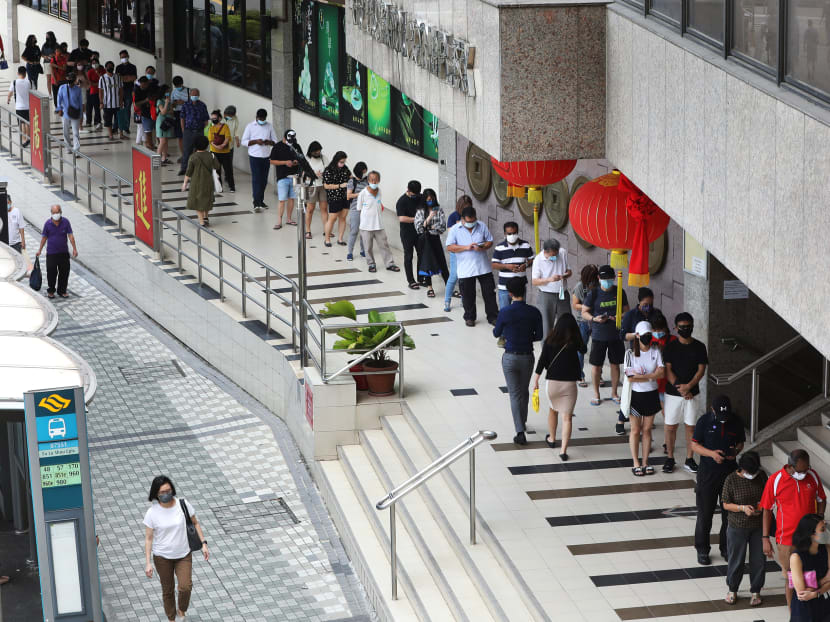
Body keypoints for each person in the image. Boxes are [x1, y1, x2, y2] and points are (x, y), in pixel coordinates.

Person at [761, 448, 827, 608]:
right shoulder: (775, 480)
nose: (804, 473)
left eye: (807, 469)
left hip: (811, 539)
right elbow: (767, 509)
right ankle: (794, 612)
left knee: (811, 574)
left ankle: (810, 606)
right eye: (801, 470)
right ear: (790, 466)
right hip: (787, 540)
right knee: (791, 579)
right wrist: (765, 538)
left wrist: (819, 517)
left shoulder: (812, 476)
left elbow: (822, 498)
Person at [143, 476, 209, 622]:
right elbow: (148, 539)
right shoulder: (152, 513)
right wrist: (148, 563)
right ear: (156, 494)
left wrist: (204, 543)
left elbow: (195, 523)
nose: (166, 494)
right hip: (162, 557)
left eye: (169, 490)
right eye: (162, 492)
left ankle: (182, 609)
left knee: (185, 587)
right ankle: (171, 618)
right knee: (168, 590)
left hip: (183, 554)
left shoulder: (182, 504)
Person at [690, 394, 745, 566]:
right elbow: (694, 445)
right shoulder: (704, 422)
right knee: (705, 514)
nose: (723, 419)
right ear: (712, 410)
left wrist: (735, 451)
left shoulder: (736, 421)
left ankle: (726, 548)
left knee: (728, 515)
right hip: (708, 474)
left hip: (729, 474)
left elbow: (741, 442)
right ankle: (702, 549)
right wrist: (712, 454)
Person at [494, 278, 543, 446]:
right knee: (524, 391)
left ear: (510, 293)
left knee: (514, 394)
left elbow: (496, 332)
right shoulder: (534, 312)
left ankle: (520, 431)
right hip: (527, 356)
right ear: (524, 292)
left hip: (510, 357)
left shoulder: (505, 312)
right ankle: (522, 421)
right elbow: (539, 335)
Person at [532, 312, 584, 459]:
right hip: (570, 385)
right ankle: (563, 451)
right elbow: (584, 349)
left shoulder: (550, 341)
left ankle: (552, 439)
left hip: (552, 384)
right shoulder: (574, 342)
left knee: (553, 410)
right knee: (567, 418)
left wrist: (536, 379)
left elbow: (542, 361)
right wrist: (577, 334)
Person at [663, 312, 709, 474]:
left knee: (691, 427)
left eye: (688, 326)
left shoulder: (699, 346)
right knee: (670, 427)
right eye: (682, 327)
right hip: (673, 394)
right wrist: (681, 388)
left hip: (692, 394)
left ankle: (690, 459)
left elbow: (701, 370)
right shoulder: (670, 347)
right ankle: (670, 457)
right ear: (676, 328)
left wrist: (688, 386)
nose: (686, 329)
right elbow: (667, 371)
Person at [721, 451, 767, 607]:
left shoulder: (761, 476)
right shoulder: (731, 479)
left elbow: (766, 497)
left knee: (759, 560)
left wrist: (760, 507)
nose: (752, 474)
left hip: (758, 526)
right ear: (742, 468)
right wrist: (741, 508)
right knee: (736, 559)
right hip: (737, 526)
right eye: (749, 471)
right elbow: (726, 504)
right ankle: (732, 589)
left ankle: (756, 591)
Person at [581, 265, 629, 413]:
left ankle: (614, 393)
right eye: (604, 279)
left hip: (615, 334)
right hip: (598, 335)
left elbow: (626, 310)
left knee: (615, 365)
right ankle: (596, 394)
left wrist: (618, 317)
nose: (607, 282)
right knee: (596, 366)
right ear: (599, 278)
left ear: (614, 279)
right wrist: (594, 319)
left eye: (609, 279)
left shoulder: (619, 291)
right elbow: (584, 312)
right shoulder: (594, 293)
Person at [445, 207, 497, 327]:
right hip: (465, 268)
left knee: (489, 293)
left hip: (483, 266)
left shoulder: (481, 225)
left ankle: (493, 316)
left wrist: (482, 247)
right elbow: (449, 247)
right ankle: (469, 317)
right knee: (468, 295)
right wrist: (465, 247)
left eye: (473, 220)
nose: (471, 223)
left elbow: (490, 241)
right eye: (469, 221)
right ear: (462, 219)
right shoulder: (455, 229)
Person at [625, 321, 665, 476]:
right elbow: (630, 377)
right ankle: (636, 461)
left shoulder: (656, 351)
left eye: (649, 335)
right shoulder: (629, 354)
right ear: (637, 336)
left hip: (651, 394)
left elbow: (661, 373)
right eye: (644, 336)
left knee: (647, 429)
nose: (647, 338)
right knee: (635, 430)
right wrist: (651, 376)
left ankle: (645, 461)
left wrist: (643, 377)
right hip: (635, 396)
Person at [492, 222, 534, 345]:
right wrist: (507, 266)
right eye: (509, 233)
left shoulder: (525, 245)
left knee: (520, 311)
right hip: (505, 287)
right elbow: (494, 264)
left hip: (520, 287)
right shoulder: (499, 247)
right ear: (505, 234)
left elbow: (532, 259)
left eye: (514, 233)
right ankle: (503, 336)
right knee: (505, 312)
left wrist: (525, 265)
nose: (512, 235)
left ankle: (519, 333)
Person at [356, 171, 400, 273]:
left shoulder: (379, 191)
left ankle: (390, 264)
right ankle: (371, 264)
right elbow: (359, 209)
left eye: (375, 179)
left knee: (384, 245)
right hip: (366, 226)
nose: (373, 181)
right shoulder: (363, 193)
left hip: (379, 225)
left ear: (379, 180)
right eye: (371, 179)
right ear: (368, 180)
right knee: (368, 247)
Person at [789, 514, 830, 621]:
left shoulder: (827, 548)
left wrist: (815, 593)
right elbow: (802, 592)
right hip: (804, 608)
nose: (826, 532)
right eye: (822, 529)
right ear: (811, 534)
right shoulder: (796, 557)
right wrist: (825, 580)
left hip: (824, 601)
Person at [531, 238, 572, 338]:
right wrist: (549, 279)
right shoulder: (538, 260)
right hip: (546, 294)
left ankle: (565, 346)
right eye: (553, 255)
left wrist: (565, 275)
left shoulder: (562, 252)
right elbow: (534, 281)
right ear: (545, 252)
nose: (555, 257)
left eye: (556, 254)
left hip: (562, 291)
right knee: (546, 324)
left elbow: (569, 271)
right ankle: (546, 348)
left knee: (566, 321)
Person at [35, 205, 78, 299]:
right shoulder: (48, 224)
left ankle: (62, 290)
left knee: (64, 272)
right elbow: (44, 238)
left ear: (61, 212)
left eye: (57, 212)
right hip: (51, 253)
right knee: (51, 273)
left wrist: (74, 248)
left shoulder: (65, 222)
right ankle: (51, 291)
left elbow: (70, 236)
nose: (56, 214)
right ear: (51, 213)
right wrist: (39, 250)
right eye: (54, 213)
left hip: (63, 253)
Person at [413, 188, 449, 298]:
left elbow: (442, 227)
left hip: (435, 238)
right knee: (427, 262)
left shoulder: (439, 210)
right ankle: (429, 287)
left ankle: (449, 286)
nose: (430, 201)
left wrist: (427, 226)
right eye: (428, 199)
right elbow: (419, 228)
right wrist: (429, 219)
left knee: (442, 263)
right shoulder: (420, 211)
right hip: (424, 240)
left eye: (432, 199)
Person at [242, 109, 278, 211]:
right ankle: (256, 202)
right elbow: (244, 141)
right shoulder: (250, 126)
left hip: (266, 156)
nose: (262, 120)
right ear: (257, 117)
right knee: (256, 179)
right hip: (254, 156)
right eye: (261, 118)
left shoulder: (269, 126)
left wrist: (268, 142)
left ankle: (261, 201)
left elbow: (275, 141)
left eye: (264, 119)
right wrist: (255, 141)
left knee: (264, 180)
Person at [182, 136, 220, 227]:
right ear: (206, 145)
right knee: (206, 199)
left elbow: (189, 172)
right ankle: (206, 217)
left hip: (196, 183)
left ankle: (201, 222)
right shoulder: (211, 155)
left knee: (198, 202)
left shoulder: (193, 157)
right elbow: (217, 166)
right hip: (208, 182)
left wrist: (184, 184)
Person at [572, 264, 599, 388]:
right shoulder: (579, 287)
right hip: (582, 321)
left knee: (597, 348)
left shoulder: (598, 286)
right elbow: (575, 304)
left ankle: (599, 374)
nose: (593, 281)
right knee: (580, 349)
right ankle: (579, 374)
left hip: (596, 320)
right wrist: (586, 307)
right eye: (591, 279)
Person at [269, 129, 302, 225]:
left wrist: (296, 161)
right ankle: (279, 221)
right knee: (282, 200)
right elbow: (271, 161)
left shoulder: (296, 146)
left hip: (294, 177)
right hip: (282, 176)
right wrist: (285, 162)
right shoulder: (277, 146)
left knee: (292, 198)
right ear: (284, 137)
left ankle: (289, 219)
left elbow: (301, 158)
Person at [443, 195, 470, 311]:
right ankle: (447, 301)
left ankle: (464, 300)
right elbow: (451, 234)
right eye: (464, 207)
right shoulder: (453, 216)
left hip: (467, 250)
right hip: (456, 250)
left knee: (464, 277)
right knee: (454, 276)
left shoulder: (471, 216)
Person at [322, 150, 351, 246]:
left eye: (344, 162)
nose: (343, 164)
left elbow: (350, 176)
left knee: (343, 218)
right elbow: (326, 186)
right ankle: (327, 239)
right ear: (336, 160)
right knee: (332, 218)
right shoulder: (328, 170)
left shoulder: (345, 169)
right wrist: (340, 185)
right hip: (334, 197)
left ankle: (340, 239)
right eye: (341, 162)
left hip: (345, 197)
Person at [397, 181, 422, 289]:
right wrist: (417, 219)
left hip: (419, 231)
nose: (415, 196)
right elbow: (402, 218)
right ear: (408, 190)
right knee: (409, 256)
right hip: (407, 233)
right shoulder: (402, 201)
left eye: (417, 194)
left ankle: (421, 278)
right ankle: (411, 280)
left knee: (421, 255)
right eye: (413, 194)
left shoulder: (420, 197)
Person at [178, 88, 209, 176]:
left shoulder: (202, 105)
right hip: (188, 131)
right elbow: (182, 118)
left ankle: (197, 168)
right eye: (193, 95)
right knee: (187, 150)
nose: (194, 96)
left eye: (196, 95)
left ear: (198, 96)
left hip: (199, 131)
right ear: (190, 95)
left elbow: (206, 119)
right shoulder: (186, 105)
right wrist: (183, 129)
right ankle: (184, 169)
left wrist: (205, 130)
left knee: (199, 151)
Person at [304, 141, 328, 238]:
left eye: (319, 151)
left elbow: (328, 170)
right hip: (311, 185)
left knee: (324, 208)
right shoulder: (307, 159)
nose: (318, 153)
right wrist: (313, 174)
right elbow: (303, 173)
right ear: (311, 151)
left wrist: (323, 174)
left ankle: (326, 230)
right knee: (310, 209)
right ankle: (308, 231)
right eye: (316, 152)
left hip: (322, 185)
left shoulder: (324, 158)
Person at [345, 162, 368, 260]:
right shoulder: (352, 182)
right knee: (354, 231)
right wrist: (360, 194)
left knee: (364, 232)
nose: (365, 173)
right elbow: (348, 196)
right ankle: (350, 252)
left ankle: (363, 250)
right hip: (355, 209)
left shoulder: (367, 181)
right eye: (364, 171)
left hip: (366, 209)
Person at [56, 72, 83, 153]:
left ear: (74, 80)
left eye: (72, 79)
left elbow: (80, 102)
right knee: (65, 131)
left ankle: (76, 149)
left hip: (75, 113)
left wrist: (81, 114)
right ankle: (68, 147)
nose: (70, 81)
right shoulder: (62, 88)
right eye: (69, 79)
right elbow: (59, 99)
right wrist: (59, 109)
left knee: (76, 132)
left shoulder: (78, 89)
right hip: (65, 113)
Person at [208, 110, 233, 191]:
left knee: (228, 170)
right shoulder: (211, 128)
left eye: (215, 118)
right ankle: (219, 188)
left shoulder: (225, 126)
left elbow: (227, 137)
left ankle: (232, 187)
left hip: (225, 152)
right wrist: (217, 147)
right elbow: (210, 140)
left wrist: (222, 145)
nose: (213, 120)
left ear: (219, 118)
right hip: (214, 152)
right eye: (212, 118)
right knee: (217, 171)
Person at [98, 61, 122, 140]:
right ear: (105, 68)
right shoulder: (102, 78)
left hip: (117, 103)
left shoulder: (118, 77)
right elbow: (100, 91)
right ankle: (110, 135)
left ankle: (121, 134)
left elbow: (121, 90)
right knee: (108, 120)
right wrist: (101, 102)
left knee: (119, 119)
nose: (110, 67)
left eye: (111, 66)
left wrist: (121, 101)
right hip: (107, 103)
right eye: (108, 66)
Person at [7, 66, 31, 147]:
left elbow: (10, 92)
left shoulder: (14, 82)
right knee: (27, 123)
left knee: (21, 123)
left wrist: (8, 99)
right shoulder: (29, 82)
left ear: (18, 73)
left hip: (19, 107)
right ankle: (28, 138)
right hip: (28, 106)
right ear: (25, 73)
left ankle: (24, 140)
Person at [116, 50, 137, 137]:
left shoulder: (133, 67)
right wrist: (127, 78)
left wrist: (124, 78)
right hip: (120, 90)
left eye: (125, 56)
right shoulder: (118, 67)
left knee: (128, 108)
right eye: (122, 57)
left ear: (128, 56)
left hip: (129, 90)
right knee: (120, 108)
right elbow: (118, 78)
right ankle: (120, 126)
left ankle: (126, 127)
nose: (124, 58)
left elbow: (133, 78)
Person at [132, 77, 155, 149]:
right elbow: (136, 104)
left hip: (153, 112)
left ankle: (153, 145)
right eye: (142, 85)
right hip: (145, 113)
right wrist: (146, 101)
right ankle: (149, 146)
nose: (143, 86)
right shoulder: (137, 90)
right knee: (147, 131)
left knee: (155, 131)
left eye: (145, 84)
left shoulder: (151, 88)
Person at [154, 86, 174, 164]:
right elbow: (163, 112)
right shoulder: (160, 101)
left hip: (168, 122)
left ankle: (164, 158)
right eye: (167, 91)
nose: (168, 93)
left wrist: (168, 105)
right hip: (161, 122)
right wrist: (166, 103)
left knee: (166, 141)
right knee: (162, 141)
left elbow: (171, 111)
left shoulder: (169, 100)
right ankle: (157, 160)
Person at [170, 77, 189, 157]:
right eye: (176, 86)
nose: (178, 87)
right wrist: (175, 103)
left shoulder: (189, 91)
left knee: (188, 134)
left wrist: (184, 102)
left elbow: (193, 102)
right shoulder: (174, 92)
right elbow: (171, 104)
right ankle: (183, 155)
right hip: (177, 113)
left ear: (182, 83)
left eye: (179, 85)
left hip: (187, 114)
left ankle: (190, 154)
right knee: (180, 135)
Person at [223, 105, 240, 186]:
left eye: (232, 116)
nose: (231, 117)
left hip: (230, 144)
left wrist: (237, 140)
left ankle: (228, 176)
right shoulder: (220, 119)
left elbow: (236, 130)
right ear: (225, 113)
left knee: (229, 161)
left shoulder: (235, 118)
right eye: (229, 115)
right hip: (221, 144)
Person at [49, 43, 68, 108]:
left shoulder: (63, 58)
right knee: (55, 94)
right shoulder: (53, 59)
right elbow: (52, 71)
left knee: (63, 94)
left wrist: (56, 66)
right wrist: (55, 80)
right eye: (57, 51)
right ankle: (57, 107)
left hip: (63, 79)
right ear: (55, 52)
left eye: (59, 51)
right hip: (55, 80)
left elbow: (64, 68)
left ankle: (63, 106)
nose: (58, 53)